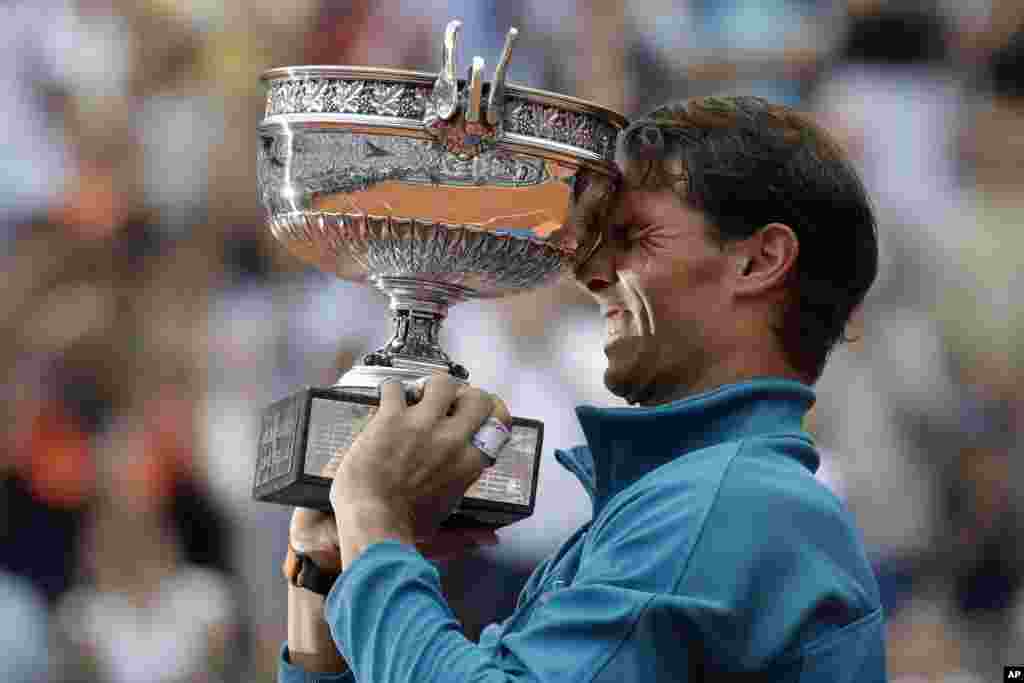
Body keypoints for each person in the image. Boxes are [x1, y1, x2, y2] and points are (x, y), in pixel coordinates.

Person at [278, 95, 887, 681]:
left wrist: (375, 524)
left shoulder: (726, 507)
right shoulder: (682, 506)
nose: (588, 271)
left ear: (758, 261)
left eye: (636, 238)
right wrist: (328, 576)